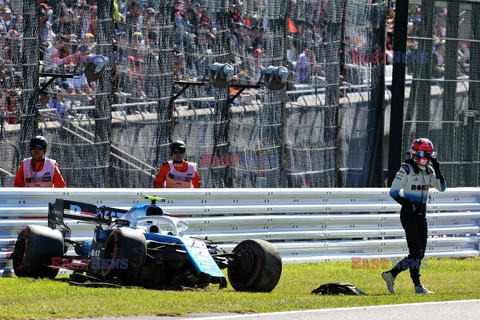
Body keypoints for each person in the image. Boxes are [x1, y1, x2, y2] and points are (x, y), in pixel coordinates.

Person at [382, 138, 446, 294]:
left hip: (421, 214)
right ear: (415, 153)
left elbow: (442, 188)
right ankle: (416, 285)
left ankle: (391, 274)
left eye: (428, 154)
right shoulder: (406, 169)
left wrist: (438, 171)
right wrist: (406, 203)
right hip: (408, 214)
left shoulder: (429, 170)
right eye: (423, 153)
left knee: (420, 253)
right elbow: (393, 192)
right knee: (416, 253)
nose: (425, 157)